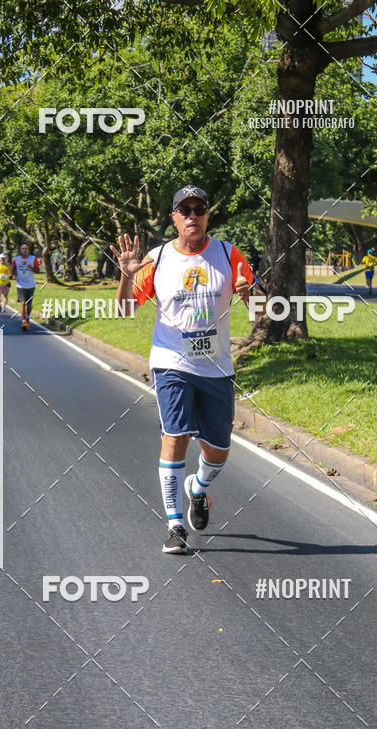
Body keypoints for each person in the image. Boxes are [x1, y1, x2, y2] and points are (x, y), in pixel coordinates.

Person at [110, 184, 254, 554]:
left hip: (217, 366)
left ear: (207, 215)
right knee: (175, 436)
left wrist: (249, 293)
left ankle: (198, 489)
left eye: (199, 208)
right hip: (171, 362)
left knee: (219, 448)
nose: (192, 215)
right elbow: (125, 311)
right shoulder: (156, 260)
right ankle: (175, 526)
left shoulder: (228, 254)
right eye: (184, 210)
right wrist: (127, 275)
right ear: (173, 217)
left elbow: (261, 307)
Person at [12, 243, 41, 330]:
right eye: (23, 248)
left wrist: (32, 267)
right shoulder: (16, 259)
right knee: (22, 302)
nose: (24, 250)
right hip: (20, 285)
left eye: (26, 249)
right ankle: (23, 321)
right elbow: (13, 269)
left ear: (28, 250)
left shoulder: (33, 259)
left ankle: (27, 317)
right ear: (20, 250)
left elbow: (38, 271)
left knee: (29, 304)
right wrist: (14, 275)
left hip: (31, 285)